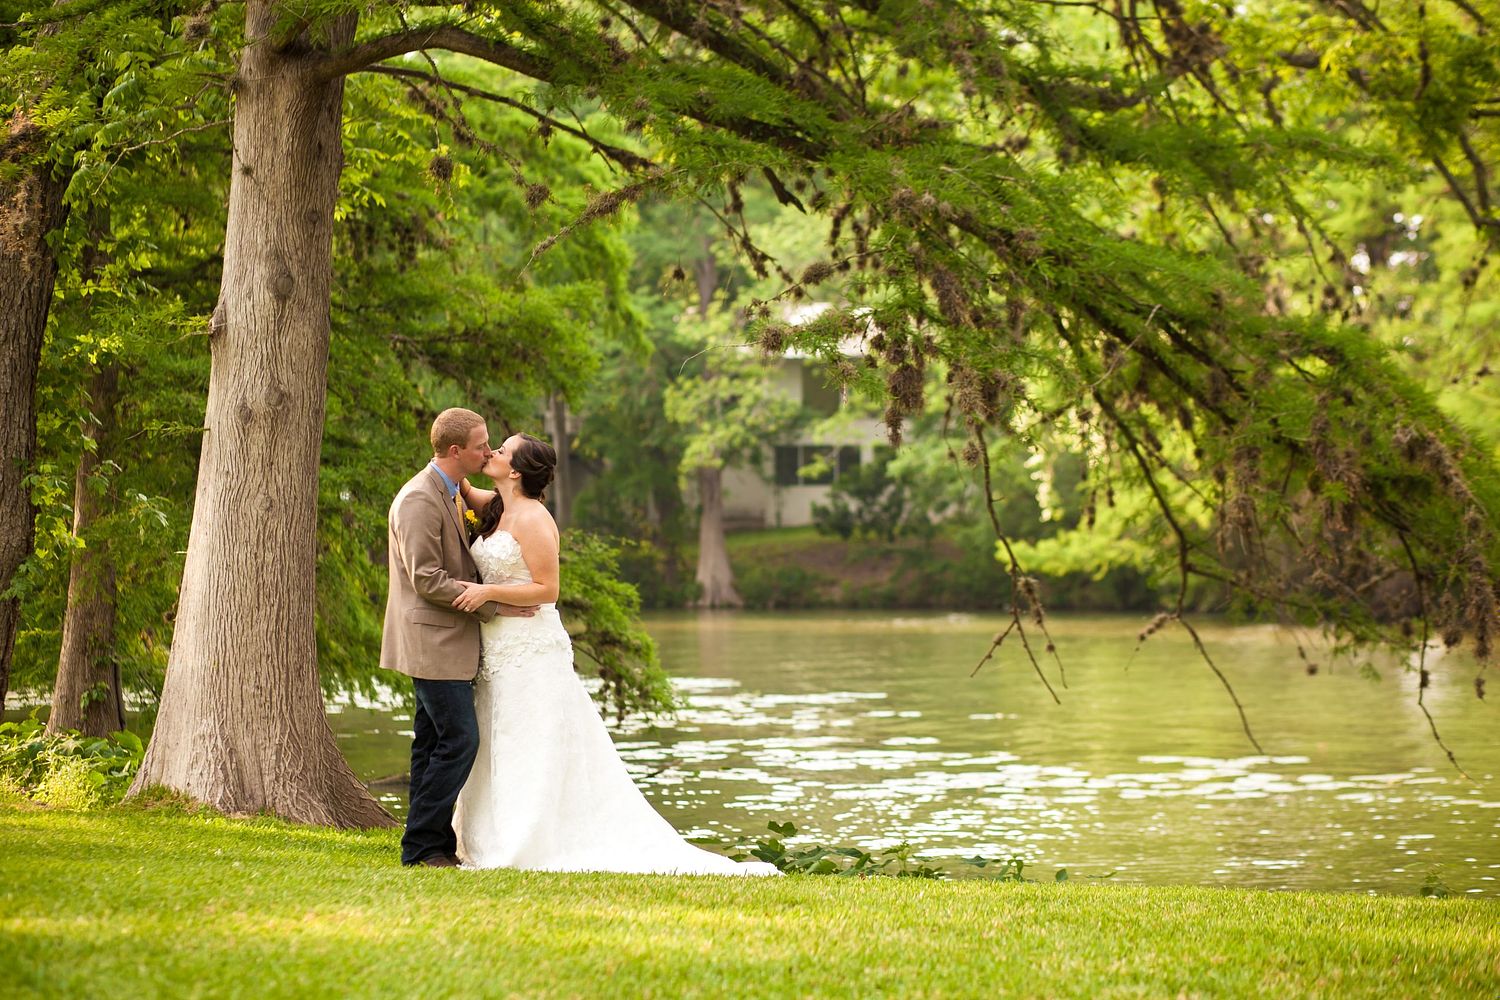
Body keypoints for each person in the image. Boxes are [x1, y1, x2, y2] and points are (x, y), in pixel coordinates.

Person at [450, 432, 778, 876]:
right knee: (495, 736)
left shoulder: (534, 520)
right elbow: (455, 480)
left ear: (517, 470)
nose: (492, 453)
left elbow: (549, 590)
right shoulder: (495, 506)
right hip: (499, 645)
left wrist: (487, 591)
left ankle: (530, 838)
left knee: (531, 739)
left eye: (501, 450)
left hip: (532, 648)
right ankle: (487, 833)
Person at [381, 408, 536, 868]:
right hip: (432, 642)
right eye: (480, 445)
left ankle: (424, 845)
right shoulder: (418, 500)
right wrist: (496, 605)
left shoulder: (450, 492)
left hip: (446, 641)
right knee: (460, 741)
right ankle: (425, 846)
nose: (487, 451)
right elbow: (427, 579)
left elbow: (502, 506)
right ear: (455, 451)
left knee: (431, 742)